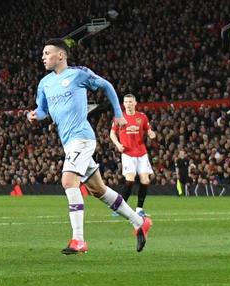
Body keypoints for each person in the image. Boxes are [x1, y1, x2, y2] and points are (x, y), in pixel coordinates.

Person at [28, 41, 151, 254]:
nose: (43, 57)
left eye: (47, 53)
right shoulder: (45, 83)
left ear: (61, 55)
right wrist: (33, 116)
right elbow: (41, 110)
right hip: (68, 143)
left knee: (68, 181)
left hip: (82, 138)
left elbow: (107, 86)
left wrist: (118, 114)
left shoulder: (79, 74)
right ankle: (139, 222)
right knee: (98, 190)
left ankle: (78, 240)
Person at [109, 93, 157, 216]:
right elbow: (112, 133)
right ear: (123, 104)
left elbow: (149, 130)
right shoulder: (119, 117)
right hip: (128, 153)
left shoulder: (142, 117)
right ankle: (120, 208)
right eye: (126, 102)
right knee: (130, 180)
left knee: (145, 180)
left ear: (135, 103)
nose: (128, 104)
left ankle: (139, 209)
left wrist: (152, 134)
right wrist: (118, 144)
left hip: (141, 153)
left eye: (130, 102)